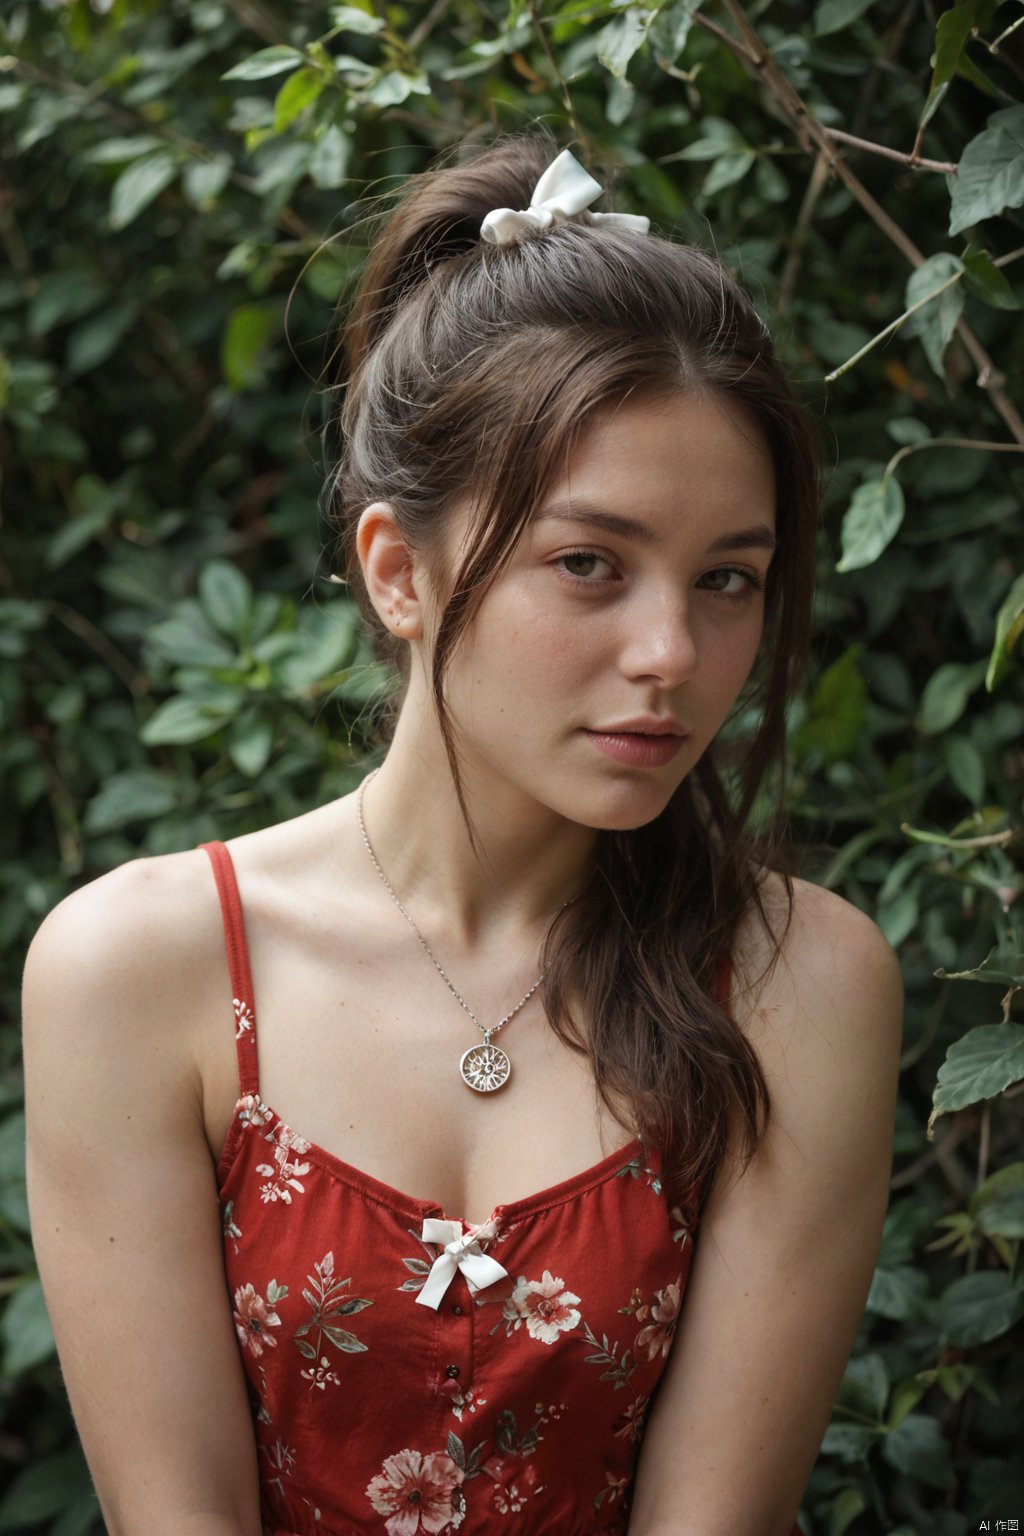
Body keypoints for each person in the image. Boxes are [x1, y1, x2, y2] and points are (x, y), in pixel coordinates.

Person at [22, 127, 903, 1536]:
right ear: (398, 571)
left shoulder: (797, 983)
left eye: (729, 578)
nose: (672, 651)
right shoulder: (147, 971)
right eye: (587, 566)